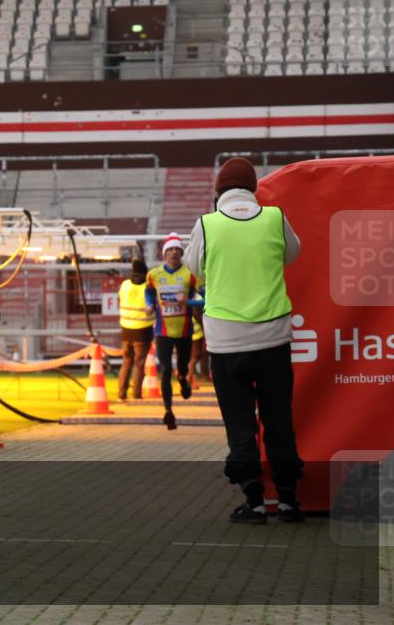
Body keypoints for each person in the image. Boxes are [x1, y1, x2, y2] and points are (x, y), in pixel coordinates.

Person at [185, 156, 304, 524]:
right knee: (278, 419)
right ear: (254, 189)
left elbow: (194, 267)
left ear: (218, 191)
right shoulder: (274, 217)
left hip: (226, 342)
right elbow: (293, 253)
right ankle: (287, 500)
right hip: (273, 338)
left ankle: (253, 500)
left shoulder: (207, 224)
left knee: (240, 423)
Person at [145, 233, 199, 430]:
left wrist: (189, 302)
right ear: (164, 253)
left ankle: (184, 380)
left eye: (178, 249)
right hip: (162, 331)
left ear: (181, 253)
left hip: (184, 330)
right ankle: (168, 411)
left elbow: (206, 298)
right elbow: (148, 292)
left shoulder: (190, 274)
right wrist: (149, 305)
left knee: (182, 368)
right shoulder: (154, 275)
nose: (175, 252)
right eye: (171, 249)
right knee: (166, 369)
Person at [116, 259, 154, 403]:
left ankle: (121, 394)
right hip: (142, 331)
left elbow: (119, 300)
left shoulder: (125, 285)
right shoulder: (148, 287)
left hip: (126, 329)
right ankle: (136, 394)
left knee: (126, 362)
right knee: (139, 363)